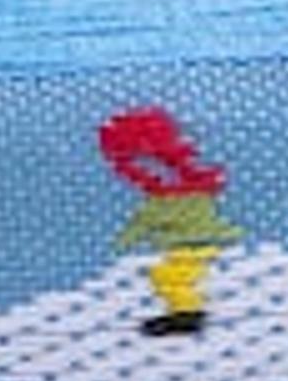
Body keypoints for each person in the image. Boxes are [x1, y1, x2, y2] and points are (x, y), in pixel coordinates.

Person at [97, 104, 237, 333]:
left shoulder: (170, 197)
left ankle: (187, 314)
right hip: (193, 244)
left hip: (192, 245)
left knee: (170, 277)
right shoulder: (187, 190)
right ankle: (185, 312)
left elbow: (146, 219)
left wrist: (127, 238)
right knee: (169, 276)